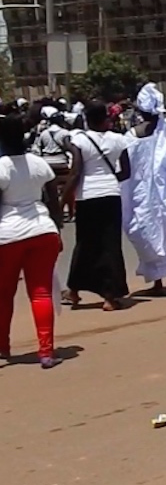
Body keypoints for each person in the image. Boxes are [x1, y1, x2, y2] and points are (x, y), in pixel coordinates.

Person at [0, 114, 63, 368]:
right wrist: (57, 231)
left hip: (8, 235)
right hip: (43, 230)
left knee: (4, 295)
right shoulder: (38, 163)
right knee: (41, 292)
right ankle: (46, 352)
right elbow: (53, 201)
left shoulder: (2, 166)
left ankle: (3, 348)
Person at [122, 83, 166, 296]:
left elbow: (125, 168)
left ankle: (162, 281)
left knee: (149, 232)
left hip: (142, 193)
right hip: (164, 191)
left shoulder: (131, 136)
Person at [61, 101, 131, 311]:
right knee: (110, 244)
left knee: (85, 244)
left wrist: (63, 199)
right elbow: (126, 172)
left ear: (86, 119)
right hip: (111, 195)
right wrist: (109, 179)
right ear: (106, 118)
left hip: (87, 196)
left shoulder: (80, 140)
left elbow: (76, 172)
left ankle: (74, 291)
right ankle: (110, 297)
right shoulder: (119, 140)